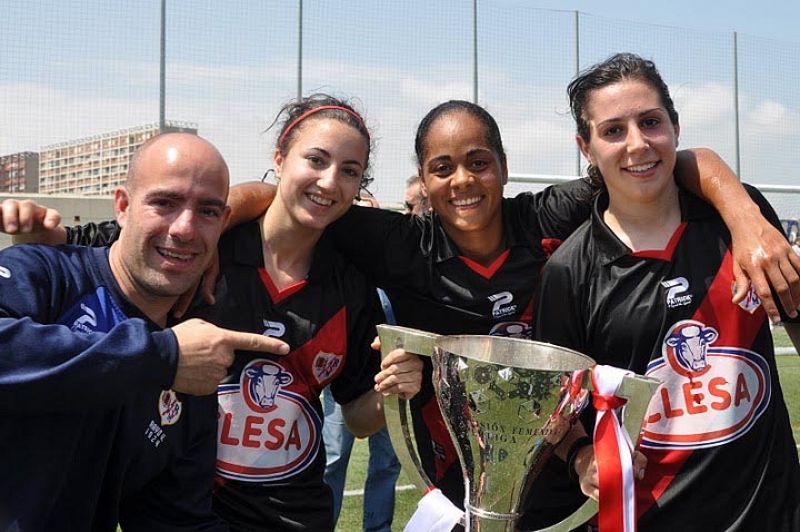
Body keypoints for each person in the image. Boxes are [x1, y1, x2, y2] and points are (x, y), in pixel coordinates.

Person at [7, 100, 800, 526]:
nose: (463, 181)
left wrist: (745, 214)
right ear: (422, 177)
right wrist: (216, 224)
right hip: (451, 481)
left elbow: (665, 160)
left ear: (505, 168)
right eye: (441, 167)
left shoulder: (547, 218)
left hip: (559, 480)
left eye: (479, 162)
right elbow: (292, 198)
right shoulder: (397, 244)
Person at [535, 53, 800, 530]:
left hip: (773, 515)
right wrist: (581, 457)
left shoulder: (741, 220)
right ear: (585, 147)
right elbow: (553, 410)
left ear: (675, 128)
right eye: (613, 131)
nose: (638, 144)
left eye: (650, 122)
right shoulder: (568, 272)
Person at [0, 132, 291, 531]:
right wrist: (160, 357)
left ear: (223, 223)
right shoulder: (46, 274)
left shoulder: (192, 366)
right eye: (165, 203)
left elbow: (174, 520)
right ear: (122, 207)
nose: (185, 228)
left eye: (207, 211)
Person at [321, 193, 402, 532]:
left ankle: (378, 528)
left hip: (393, 385)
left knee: (387, 463)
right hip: (344, 383)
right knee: (333, 459)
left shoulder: (398, 271)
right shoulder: (338, 275)